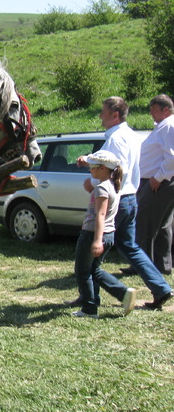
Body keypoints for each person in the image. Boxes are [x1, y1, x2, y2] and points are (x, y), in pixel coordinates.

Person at [70, 97, 172, 311]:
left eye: (103, 112)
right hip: (130, 198)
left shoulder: (116, 138)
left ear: (115, 114)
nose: (100, 116)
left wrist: (94, 182)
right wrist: (89, 160)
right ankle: (160, 287)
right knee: (130, 246)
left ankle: (90, 299)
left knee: (92, 250)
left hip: (115, 199)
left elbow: (113, 168)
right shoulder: (132, 135)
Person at [72, 150, 136, 319]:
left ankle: (90, 308)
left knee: (82, 271)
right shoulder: (113, 185)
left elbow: (100, 215)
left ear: (102, 169)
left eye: (92, 166)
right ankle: (121, 294)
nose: (90, 169)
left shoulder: (101, 188)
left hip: (93, 234)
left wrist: (97, 240)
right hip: (109, 234)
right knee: (94, 269)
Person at [134, 94, 174, 280]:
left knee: (144, 223)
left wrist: (157, 178)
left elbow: (172, 158)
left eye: (154, 110)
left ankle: (142, 266)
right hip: (161, 182)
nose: (151, 114)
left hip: (159, 182)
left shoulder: (168, 126)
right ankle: (162, 265)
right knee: (163, 225)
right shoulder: (164, 126)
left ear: (166, 110)